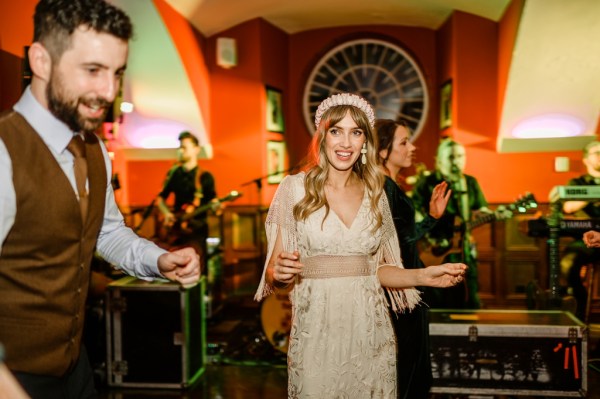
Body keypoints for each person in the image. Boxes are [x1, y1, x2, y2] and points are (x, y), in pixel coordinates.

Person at [0, 1, 201, 398]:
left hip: (76, 369)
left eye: (117, 73)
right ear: (41, 61)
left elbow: (107, 232)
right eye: (92, 70)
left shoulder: (95, 151)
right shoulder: (4, 151)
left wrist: (158, 260)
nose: (108, 91)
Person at [254, 93, 466, 398]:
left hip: (370, 331)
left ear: (365, 140)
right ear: (322, 136)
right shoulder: (294, 189)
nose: (346, 142)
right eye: (336, 131)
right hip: (318, 334)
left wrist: (424, 275)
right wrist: (282, 273)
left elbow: (378, 270)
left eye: (356, 132)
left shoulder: (375, 193)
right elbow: (275, 271)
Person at [375, 119, 451, 399]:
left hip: (405, 282)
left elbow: (401, 238)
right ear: (383, 151)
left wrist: (432, 218)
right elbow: (398, 242)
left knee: (409, 359)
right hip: (400, 287)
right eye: (404, 142)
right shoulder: (384, 187)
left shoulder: (389, 185)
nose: (413, 147)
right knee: (408, 361)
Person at [412, 138, 492, 309]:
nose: (457, 161)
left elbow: (480, 211)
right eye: (451, 157)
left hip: (464, 251)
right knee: (436, 302)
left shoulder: (470, 183)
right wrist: (429, 239)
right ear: (439, 160)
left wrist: (493, 215)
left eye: (460, 156)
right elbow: (414, 215)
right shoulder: (426, 183)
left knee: (468, 299)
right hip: (434, 252)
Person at [157, 131, 217, 264]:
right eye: (180, 147)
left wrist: (217, 207)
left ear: (196, 150)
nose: (180, 151)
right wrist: (167, 214)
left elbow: (213, 203)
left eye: (184, 147)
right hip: (177, 229)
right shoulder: (174, 173)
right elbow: (160, 199)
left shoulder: (205, 176)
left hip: (197, 230)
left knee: (197, 265)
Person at [561, 140, 600, 319]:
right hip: (586, 240)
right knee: (567, 263)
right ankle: (579, 306)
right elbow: (568, 207)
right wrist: (593, 195)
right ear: (585, 159)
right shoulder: (577, 182)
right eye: (597, 153)